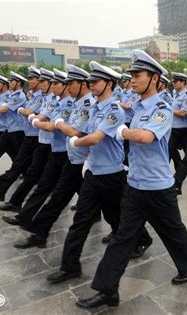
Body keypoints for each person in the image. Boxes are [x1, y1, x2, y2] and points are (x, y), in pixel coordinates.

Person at [76, 50, 187, 310]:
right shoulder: (135, 107)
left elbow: (145, 137)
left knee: (173, 230)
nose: (132, 80)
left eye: (138, 75)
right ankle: (107, 290)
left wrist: (122, 131)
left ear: (154, 78)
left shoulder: (162, 109)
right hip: (134, 185)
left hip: (158, 187)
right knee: (122, 238)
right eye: (131, 75)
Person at [45, 61, 150, 284]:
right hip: (94, 173)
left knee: (117, 216)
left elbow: (96, 137)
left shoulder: (114, 110)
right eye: (90, 82)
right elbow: (87, 133)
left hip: (112, 175)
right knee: (80, 221)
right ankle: (70, 267)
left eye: (96, 82)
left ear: (109, 84)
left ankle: (143, 238)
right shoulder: (93, 107)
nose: (91, 85)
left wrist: (74, 141)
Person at [11, 64, 96, 248]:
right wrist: (53, 123)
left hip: (84, 162)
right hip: (71, 158)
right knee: (56, 197)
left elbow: (74, 131)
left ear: (82, 84)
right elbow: (56, 125)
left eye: (69, 83)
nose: (67, 86)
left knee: (111, 207)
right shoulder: (75, 103)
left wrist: (54, 123)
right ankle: (39, 233)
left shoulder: (88, 105)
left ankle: (140, 238)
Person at [1, 69, 73, 226]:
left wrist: (34, 121)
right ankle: (25, 218)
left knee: (77, 193)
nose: (52, 87)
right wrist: (36, 119)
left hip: (67, 153)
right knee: (43, 184)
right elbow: (46, 118)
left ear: (66, 86)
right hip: (55, 149)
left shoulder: (67, 104)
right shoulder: (56, 101)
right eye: (51, 83)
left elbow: (51, 125)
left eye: (55, 83)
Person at [0, 69, 56, 212]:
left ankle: (15, 202)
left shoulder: (48, 99)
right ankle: (11, 198)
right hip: (35, 137)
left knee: (58, 180)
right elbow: (30, 112)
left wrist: (28, 113)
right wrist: (28, 113)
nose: (39, 84)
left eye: (41, 81)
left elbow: (32, 113)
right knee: (25, 168)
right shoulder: (42, 97)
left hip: (43, 140)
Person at [0, 67, 43, 201]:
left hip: (36, 137)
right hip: (27, 134)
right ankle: (2, 192)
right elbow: (25, 111)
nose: (30, 82)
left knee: (45, 171)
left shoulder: (33, 97)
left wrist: (21, 110)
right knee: (19, 164)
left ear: (18, 83)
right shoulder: (32, 96)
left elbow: (25, 111)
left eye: (33, 79)